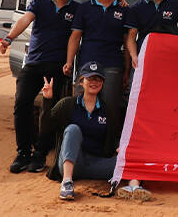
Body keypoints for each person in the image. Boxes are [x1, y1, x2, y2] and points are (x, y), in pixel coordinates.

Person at [121, 0, 178, 199]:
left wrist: (171, 35)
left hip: (170, 68)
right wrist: (135, 57)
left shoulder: (177, 4)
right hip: (145, 67)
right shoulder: (136, 8)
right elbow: (131, 36)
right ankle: (138, 160)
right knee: (140, 111)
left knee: (169, 110)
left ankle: (170, 154)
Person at [0, 0, 80, 174]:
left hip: (57, 67)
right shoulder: (40, 2)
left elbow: (74, 37)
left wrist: (69, 62)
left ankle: (40, 154)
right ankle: (23, 152)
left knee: (49, 112)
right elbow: (25, 20)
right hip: (33, 63)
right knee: (21, 104)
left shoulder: (77, 9)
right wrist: (9, 38)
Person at [40, 62, 127, 201]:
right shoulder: (67, 104)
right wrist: (47, 100)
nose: (94, 82)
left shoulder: (107, 110)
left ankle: (134, 186)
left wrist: (120, 147)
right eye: (90, 78)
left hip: (97, 164)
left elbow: (116, 135)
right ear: (81, 81)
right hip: (71, 164)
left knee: (125, 163)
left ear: (103, 83)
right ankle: (67, 182)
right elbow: (45, 128)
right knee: (73, 129)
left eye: (98, 79)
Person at [64, 0, 127, 114]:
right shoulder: (84, 8)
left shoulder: (124, 9)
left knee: (110, 109)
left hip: (113, 66)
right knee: (81, 107)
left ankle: (108, 132)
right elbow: (75, 37)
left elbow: (128, 42)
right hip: (86, 64)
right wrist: (69, 62)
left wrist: (126, 70)